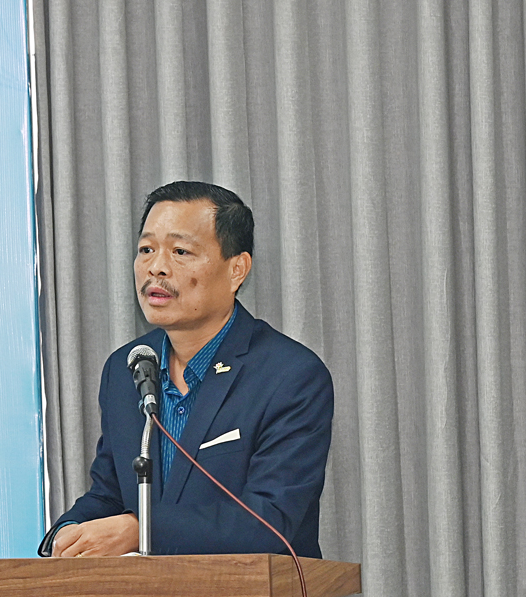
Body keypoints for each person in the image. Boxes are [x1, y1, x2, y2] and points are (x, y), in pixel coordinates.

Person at [38, 181, 334, 558]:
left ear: (237, 269)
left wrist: (142, 531)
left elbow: (271, 521)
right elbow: (110, 495)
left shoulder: (289, 375)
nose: (156, 267)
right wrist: (65, 534)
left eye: (180, 251)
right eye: (146, 249)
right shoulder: (127, 369)